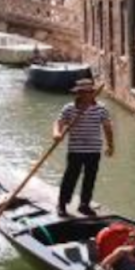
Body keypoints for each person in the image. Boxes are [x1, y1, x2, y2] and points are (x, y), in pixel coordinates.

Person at [54, 78, 114, 217]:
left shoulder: (101, 108)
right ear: (78, 94)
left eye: (88, 92)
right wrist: (56, 133)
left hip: (94, 150)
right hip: (76, 150)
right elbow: (59, 122)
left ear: (92, 93)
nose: (86, 95)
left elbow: (107, 127)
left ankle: (84, 205)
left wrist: (110, 146)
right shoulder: (69, 108)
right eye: (83, 92)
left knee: (90, 178)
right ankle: (62, 205)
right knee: (70, 177)